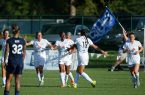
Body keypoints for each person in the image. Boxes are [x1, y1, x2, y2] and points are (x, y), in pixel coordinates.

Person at [4, 24, 26, 95]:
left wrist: (5, 61)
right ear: (19, 31)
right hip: (19, 62)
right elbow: (24, 53)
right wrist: (21, 61)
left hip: (11, 62)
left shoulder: (9, 40)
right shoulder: (23, 41)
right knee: (18, 81)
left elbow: (7, 52)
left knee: (8, 80)